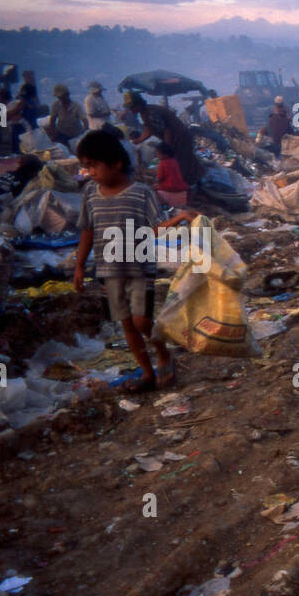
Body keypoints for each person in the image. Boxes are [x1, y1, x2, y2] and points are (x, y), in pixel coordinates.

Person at [72, 129, 175, 392]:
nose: (90, 171)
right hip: (108, 270)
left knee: (141, 321)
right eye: (86, 167)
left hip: (140, 268)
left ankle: (163, 354)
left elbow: (157, 227)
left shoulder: (141, 193)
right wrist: (80, 265)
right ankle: (147, 373)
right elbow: (88, 230)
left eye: (94, 165)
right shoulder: (90, 195)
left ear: (116, 163)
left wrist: (180, 219)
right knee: (126, 323)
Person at [124, 91, 204, 186]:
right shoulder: (145, 112)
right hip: (178, 137)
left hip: (180, 138)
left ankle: (188, 187)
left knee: (183, 164)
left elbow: (167, 130)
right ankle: (194, 184)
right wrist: (139, 140)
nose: (131, 110)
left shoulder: (151, 113)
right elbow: (150, 129)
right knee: (186, 162)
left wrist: (167, 148)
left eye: (132, 107)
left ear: (138, 104)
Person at [153, 143, 189, 208]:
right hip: (180, 186)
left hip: (169, 187)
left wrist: (156, 183)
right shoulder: (174, 161)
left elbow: (159, 178)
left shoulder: (162, 163)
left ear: (166, 154)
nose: (157, 155)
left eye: (158, 153)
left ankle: (164, 207)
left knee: (152, 190)